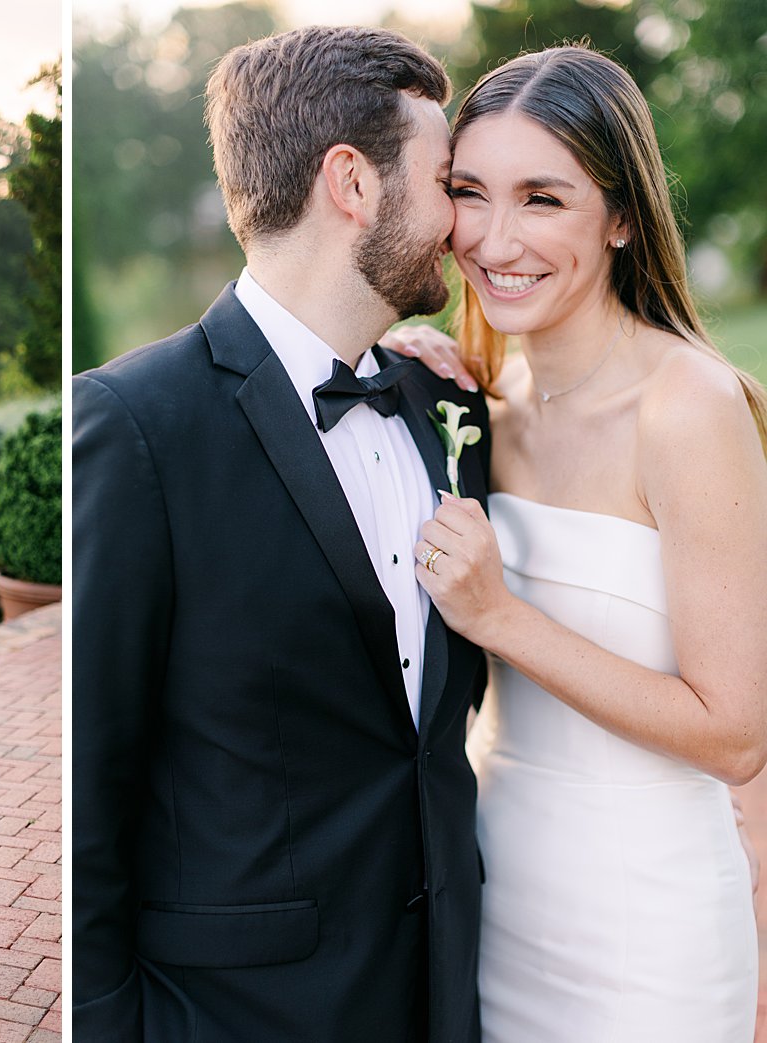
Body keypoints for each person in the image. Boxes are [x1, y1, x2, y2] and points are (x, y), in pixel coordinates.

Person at [73, 26, 491, 1041]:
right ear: (351, 181)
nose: (463, 225)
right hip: (229, 1011)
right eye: (450, 183)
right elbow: (91, 779)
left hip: (440, 990)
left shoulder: (439, 401)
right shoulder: (132, 423)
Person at [386, 46, 767, 1041]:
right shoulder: (469, 400)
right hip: (496, 891)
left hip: (650, 928)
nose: (492, 238)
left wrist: (500, 616)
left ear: (621, 215)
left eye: (541, 198)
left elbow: (735, 732)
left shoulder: (683, 408)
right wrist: (397, 365)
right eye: (468, 192)